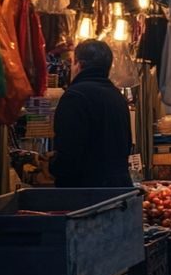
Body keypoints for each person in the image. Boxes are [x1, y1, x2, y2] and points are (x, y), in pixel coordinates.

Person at [52, 39, 133, 188]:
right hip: (118, 189)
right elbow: (127, 145)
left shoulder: (75, 96)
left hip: (86, 192)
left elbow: (68, 151)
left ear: (78, 65)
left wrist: (52, 168)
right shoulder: (117, 96)